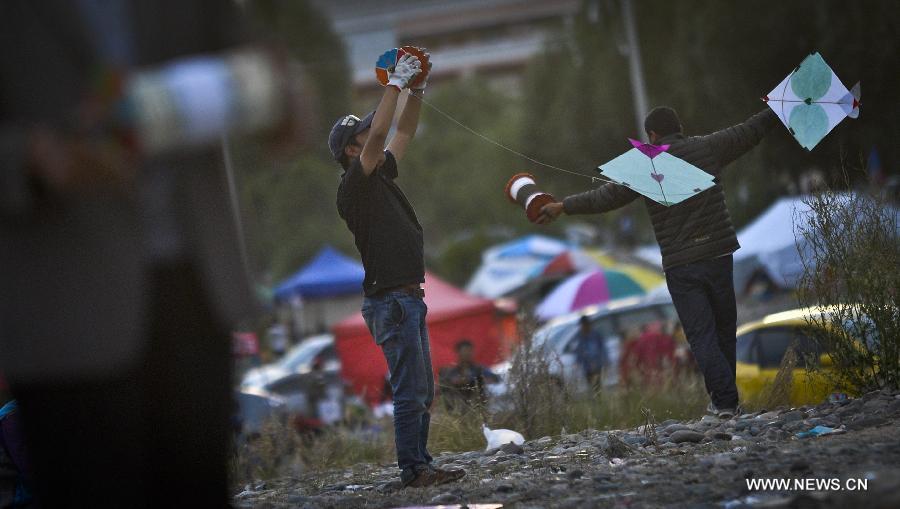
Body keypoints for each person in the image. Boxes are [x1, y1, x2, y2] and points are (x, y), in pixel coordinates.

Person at [0, 1, 298, 505]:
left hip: (194, 289)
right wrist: (32, 157)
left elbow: (244, 49)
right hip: (62, 305)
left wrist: (278, 90)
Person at [539, 106, 778, 419]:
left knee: (702, 335)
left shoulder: (647, 166)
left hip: (682, 264)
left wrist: (563, 206)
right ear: (680, 127)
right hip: (719, 255)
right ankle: (726, 402)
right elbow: (751, 129)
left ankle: (724, 403)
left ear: (652, 136)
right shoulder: (707, 146)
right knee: (723, 331)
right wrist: (781, 106)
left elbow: (605, 197)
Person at [333, 52, 465, 488]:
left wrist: (418, 90)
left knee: (421, 389)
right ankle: (413, 469)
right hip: (392, 301)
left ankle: (420, 463)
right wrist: (394, 84)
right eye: (363, 134)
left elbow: (403, 129)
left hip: (406, 297)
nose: (373, 133)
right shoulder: (354, 184)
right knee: (410, 390)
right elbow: (380, 138)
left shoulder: (379, 175)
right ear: (351, 150)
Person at [439, 339, 500, 410]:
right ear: (458, 353)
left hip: (477, 406)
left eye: (469, 351)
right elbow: (442, 385)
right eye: (464, 351)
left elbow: (496, 379)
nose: (467, 354)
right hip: (456, 406)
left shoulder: (479, 369)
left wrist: (481, 380)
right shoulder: (451, 372)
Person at [619, 321, 677, 386]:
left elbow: (626, 367)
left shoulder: (631, 344)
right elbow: (672, 361)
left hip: (644, 385)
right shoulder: (665, 339)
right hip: (665, 382)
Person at [572, 316, 609, 390]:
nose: (583, 327)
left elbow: (603, 349)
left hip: (597, 363)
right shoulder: (580, 336)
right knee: (591, 386)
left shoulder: (596, 334)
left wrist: (605, 361)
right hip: (587, 366)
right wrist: (577, 362)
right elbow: (578, 351)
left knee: (598, 384)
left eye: (585, 325)